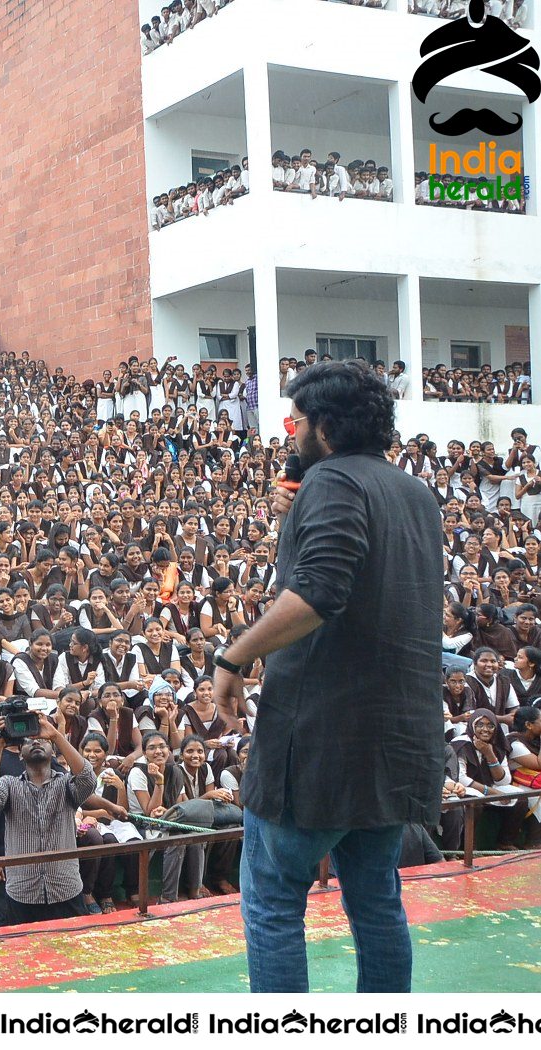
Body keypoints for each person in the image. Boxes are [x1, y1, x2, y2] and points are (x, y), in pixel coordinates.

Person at [212, 361, 443, 994]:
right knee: (376, 905)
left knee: (273, 901)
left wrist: (233, 657)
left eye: (296, 423)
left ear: (325, 426)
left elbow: (317, 593)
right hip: (394, 742)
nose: (290, 436)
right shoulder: (415, 493)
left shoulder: (333, 483)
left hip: (320, 741)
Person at [0, 711, 98, 924]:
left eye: (42, 741)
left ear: (52, 752)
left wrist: (56, 735)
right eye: (28, 742)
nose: (36, 743)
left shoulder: (65, 784)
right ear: (20, 754)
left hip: (65, 887)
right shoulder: (8, 784)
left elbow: (88, 779)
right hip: (23, 891)